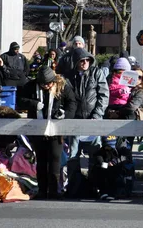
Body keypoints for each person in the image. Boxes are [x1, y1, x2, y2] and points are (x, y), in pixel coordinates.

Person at [18, 66, 76, 199]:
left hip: (56, 131)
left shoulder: (63, 87)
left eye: (49, 83)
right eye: (43, 84)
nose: (46, 86)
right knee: (41, 161)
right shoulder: (30, 86)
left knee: (55, 160)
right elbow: (20, 101)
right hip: (38, 130)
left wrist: (65, 114)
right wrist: (33, 104)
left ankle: (54, 191)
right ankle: (42, 190)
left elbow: (72, 103)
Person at [64, 47, 109, 198]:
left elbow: (103, 96)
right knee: (73, 156)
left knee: (95, 155)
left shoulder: (97, 73)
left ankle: (95, 187)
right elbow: (66, 97)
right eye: (81, 60)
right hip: (75, 121)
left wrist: (97, 115)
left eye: (87, 60)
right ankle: (74, 187)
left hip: (94, 120)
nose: (84, 63)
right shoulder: (69, 76)